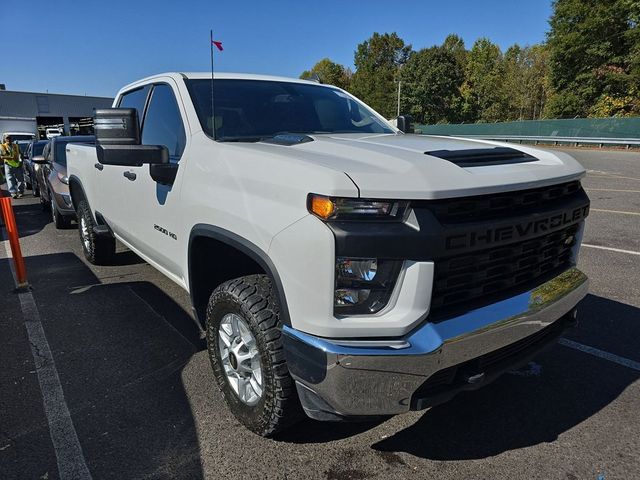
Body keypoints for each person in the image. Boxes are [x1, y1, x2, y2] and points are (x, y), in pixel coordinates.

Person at [0, 134, 25, 198]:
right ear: (4, 139)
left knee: (20, 179)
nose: (8, 139)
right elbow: (1, 156)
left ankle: (20, 191)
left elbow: (21, 154)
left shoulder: (15, 146)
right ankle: (13, 192)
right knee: (10, 179)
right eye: (7, 138)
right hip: (8, 165)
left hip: (17, 164)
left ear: (11, 139)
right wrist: (10, 157)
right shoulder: (2, 146)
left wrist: (21, 162)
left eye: (9, 138)